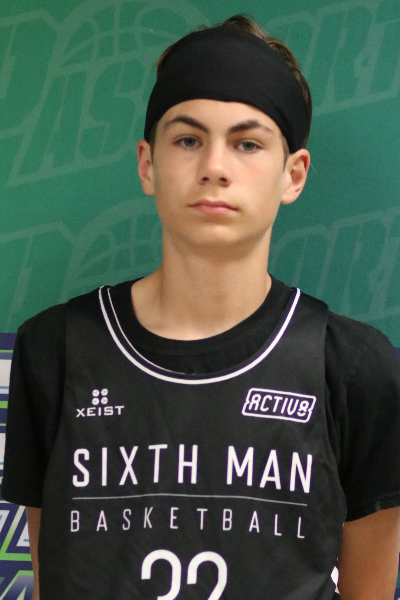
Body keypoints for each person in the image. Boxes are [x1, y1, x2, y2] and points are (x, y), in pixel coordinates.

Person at [2, 14, 400, 600]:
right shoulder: (55, 350)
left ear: (293, 175)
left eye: (247, 143)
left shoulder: (355, 368)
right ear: (148, 164)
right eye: (188, 140)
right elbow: (51, 578)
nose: (215, 167)